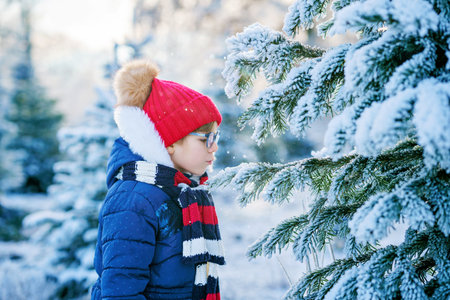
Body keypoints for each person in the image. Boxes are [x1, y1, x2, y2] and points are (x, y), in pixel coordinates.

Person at [91, 60, 225, 300]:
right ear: (171, 142)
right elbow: (121, 292)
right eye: (205, 138)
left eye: (216, 136)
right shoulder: (134, 199)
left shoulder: (182, 193)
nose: (214, 147)